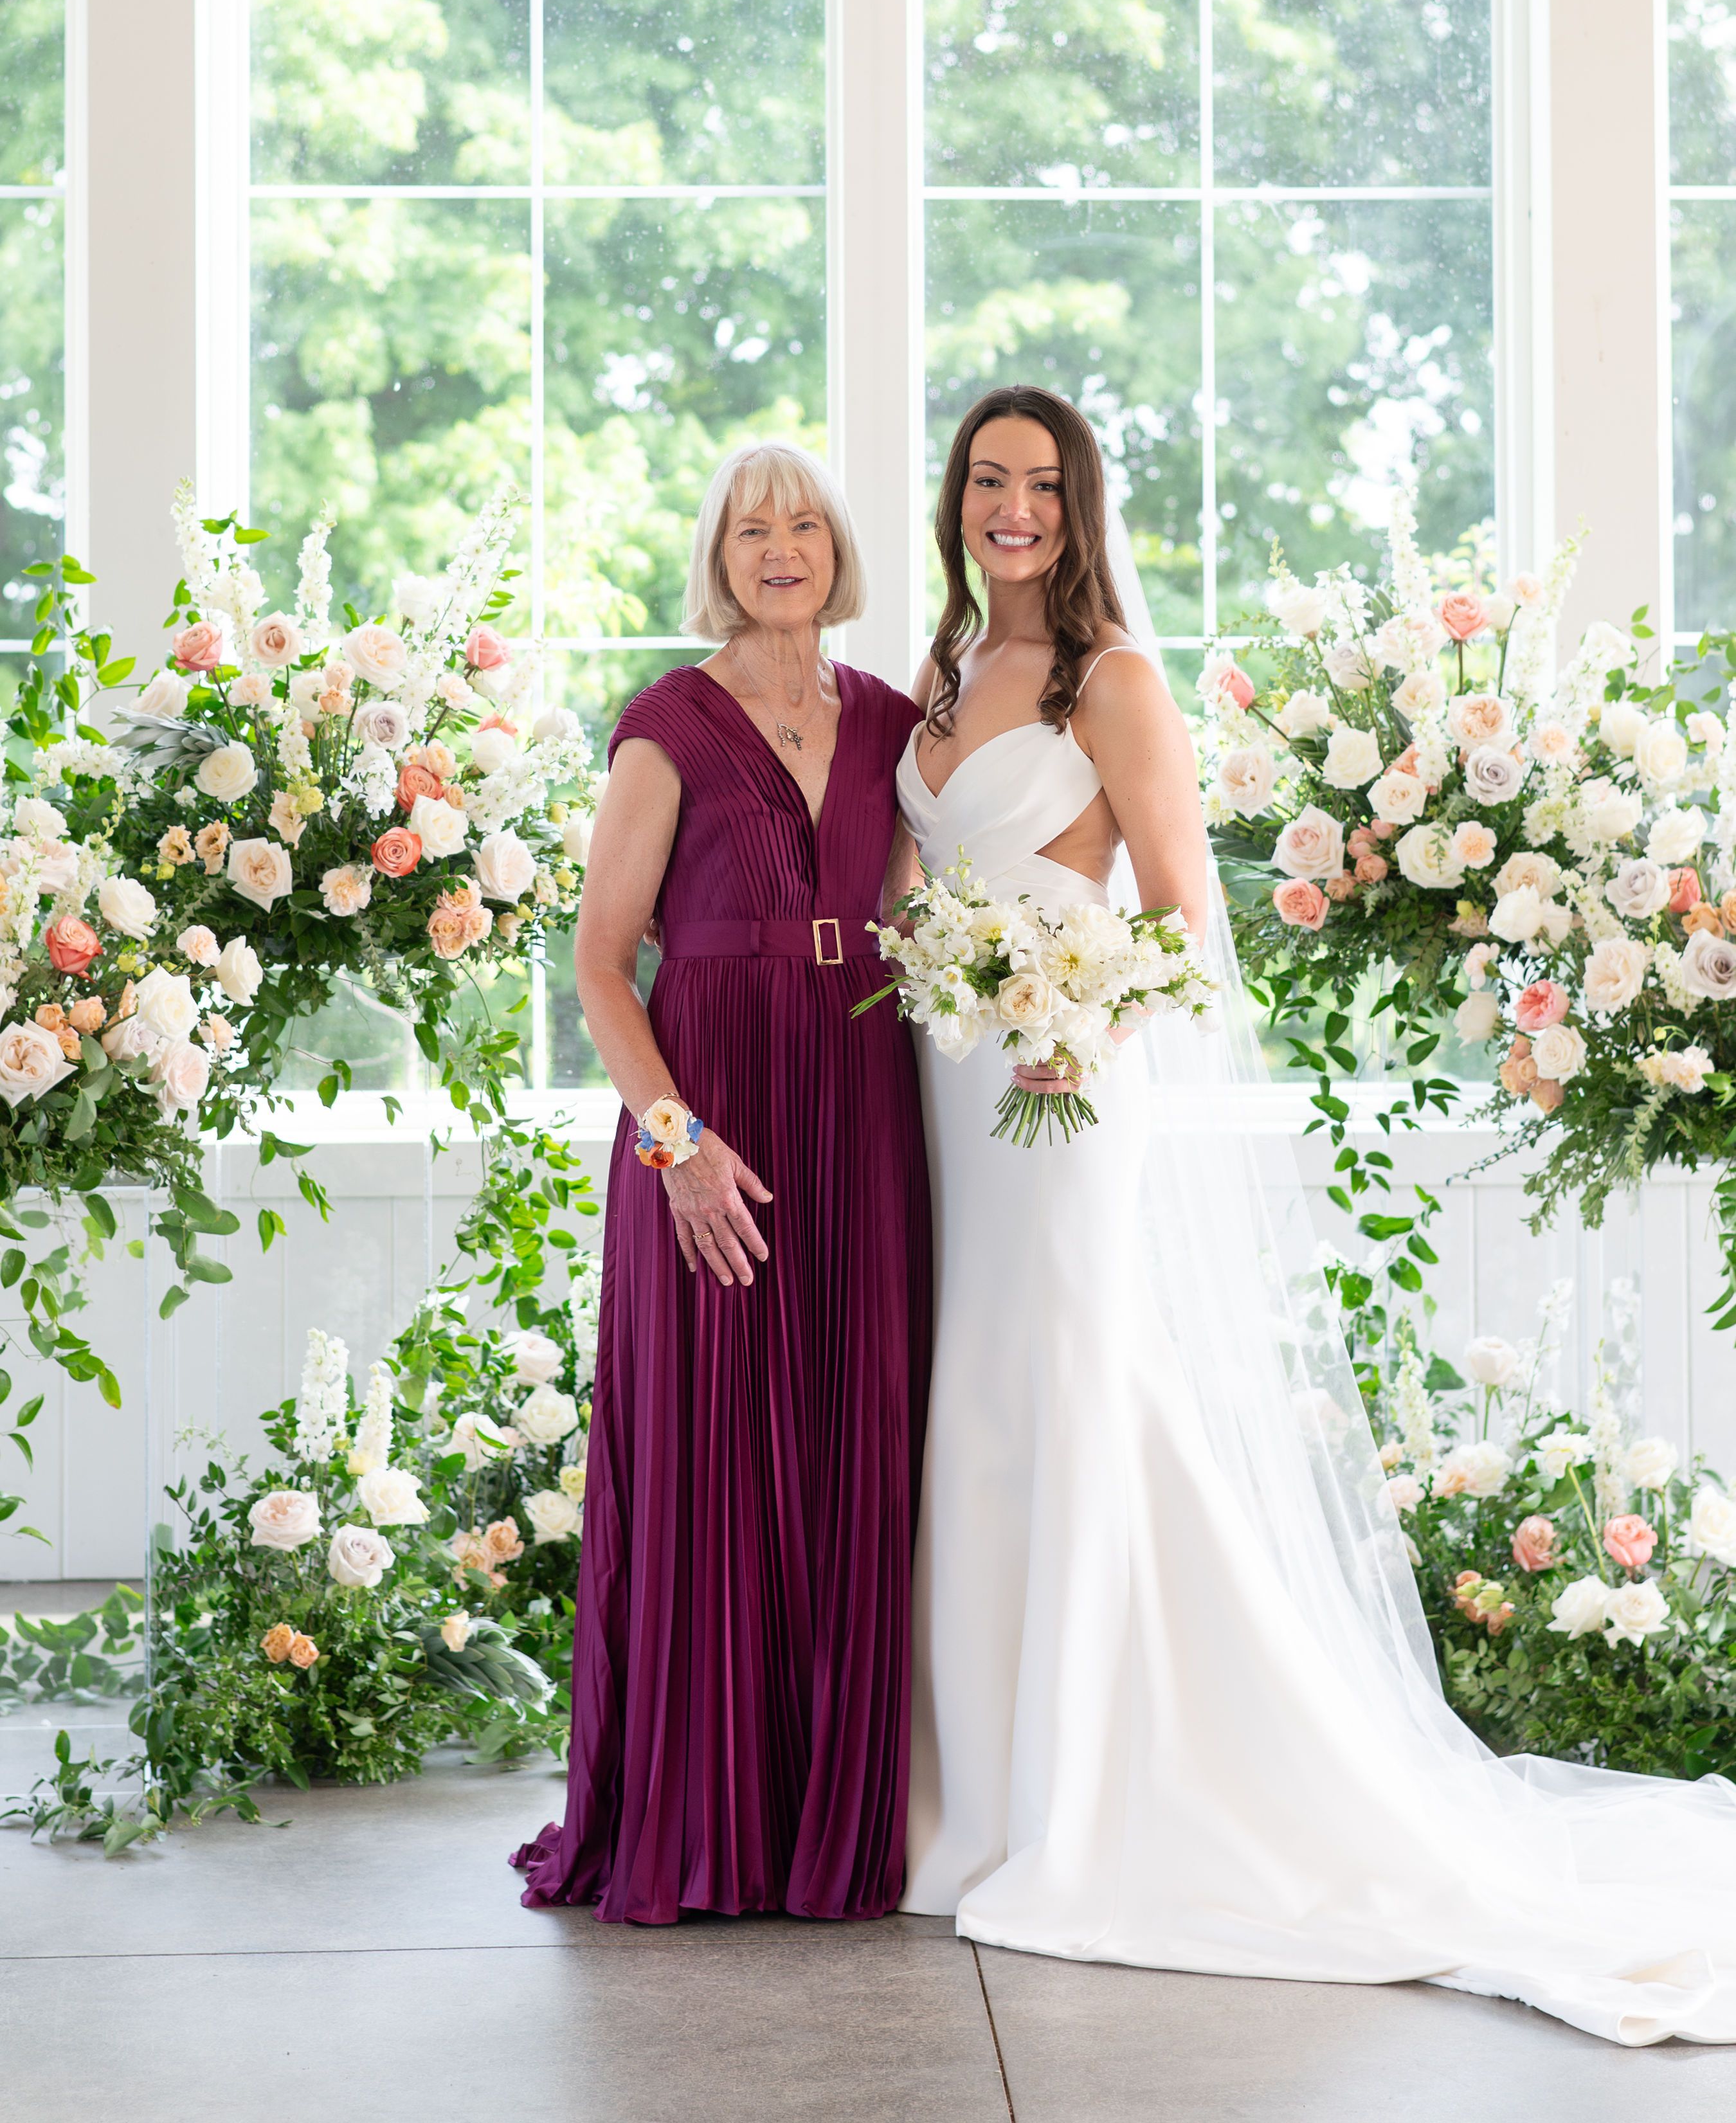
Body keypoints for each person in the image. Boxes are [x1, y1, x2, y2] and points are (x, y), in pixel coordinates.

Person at [896, 383, 1736, 2046]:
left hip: (1065, 1097)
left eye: (1041, 486)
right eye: (988, 481)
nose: (1012, 509)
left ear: (1078, 510)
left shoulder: (1108, 682)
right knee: (976, 1407)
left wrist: (1074, 1026)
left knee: (1069, 1391)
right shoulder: (934, 679)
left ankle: (1085, 1795)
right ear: (953, 502)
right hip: (940, 1094)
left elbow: (1188, 924)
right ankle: (977, 1790)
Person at [513, 441, 930, 1922]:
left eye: (805, 524)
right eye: (753, 527)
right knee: (714, 1452)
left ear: (838, 552)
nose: (781, 547)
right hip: (714, 1120)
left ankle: (832, 1826)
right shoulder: (668, 724)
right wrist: (676, 1147)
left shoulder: (886, 719)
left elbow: (929, 923)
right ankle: (703, 1832)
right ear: (720, 553)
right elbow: (598, 962)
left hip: (863, 1109)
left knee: (847, 1444)